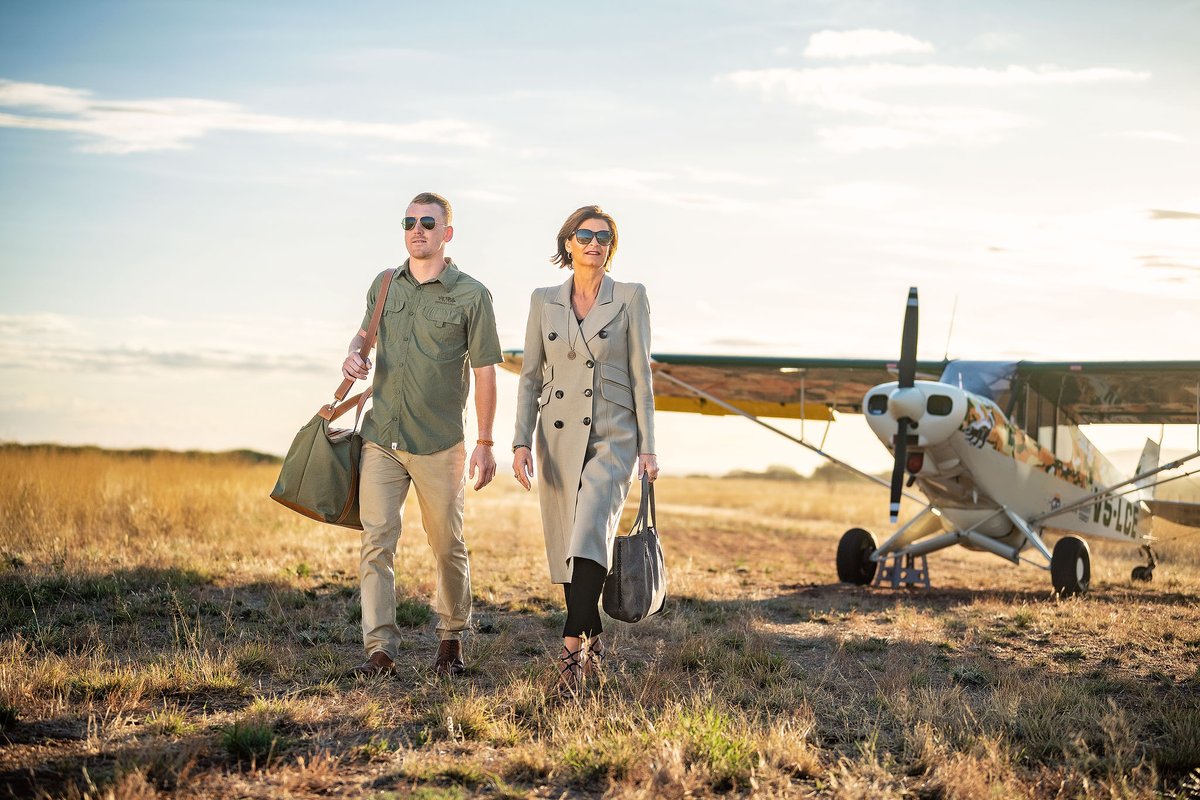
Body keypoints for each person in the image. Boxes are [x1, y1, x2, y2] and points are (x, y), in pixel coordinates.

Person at [342, 191, 502, 678]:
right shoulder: (385, 284)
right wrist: (354, 354)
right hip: (381, 438)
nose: (418, 230)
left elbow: (487, 373)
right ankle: (379, 652)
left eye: (428, 223)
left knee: (446, 544)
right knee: (376, 542)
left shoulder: (472, 295)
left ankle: (451, 639)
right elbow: (364, 336)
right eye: (409, 221)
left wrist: (486, 441)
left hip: (440, 443)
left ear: (447, 233)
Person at [511, 204, 659, 693]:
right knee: (570, 551)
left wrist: (648, 448)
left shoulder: (631, 298)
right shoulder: (542, 300)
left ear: (610, 248)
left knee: (591, 528)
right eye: (585, 234)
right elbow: (530, 377)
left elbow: (643, 378)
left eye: (604, 237)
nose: (594, 243)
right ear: (568, 242)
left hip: (614, 435)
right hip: (556, 438)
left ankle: (569, 655)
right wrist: (519, 441)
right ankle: (593, 645)